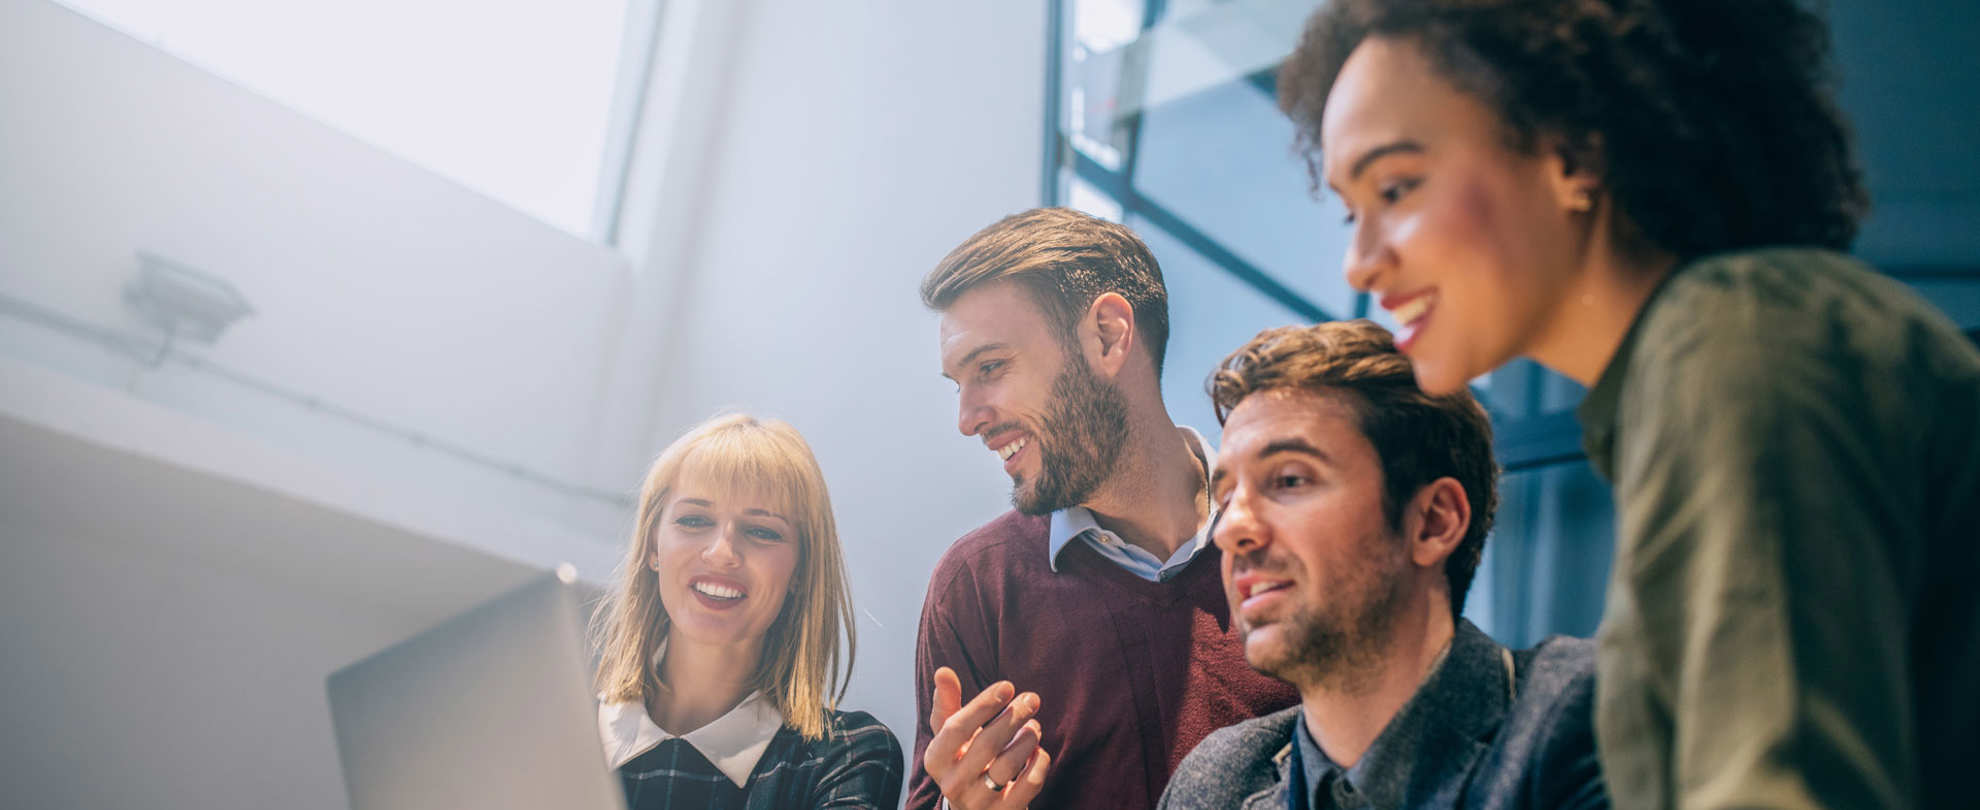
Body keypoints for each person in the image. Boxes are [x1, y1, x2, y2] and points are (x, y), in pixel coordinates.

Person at [1276, 2, 1980, 807]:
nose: (1360, 263)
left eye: (1396, 186)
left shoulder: (1734, 341)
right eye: (1348, 210)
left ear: (1571, 153)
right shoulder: (1705, 362)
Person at [911, 207, 1299, 810]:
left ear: (1109, 336)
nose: (968, 420)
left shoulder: (1293, 540)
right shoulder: (975, 588)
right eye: (958, 383)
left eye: (990, 367)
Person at [1160, 321, 1606, 810]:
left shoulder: (1585, 721)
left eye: (1289, 479)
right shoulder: (1217, 784)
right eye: (1227, 497)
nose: (1229, 530)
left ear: (1433, 523)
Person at [590, 413, 903, 809]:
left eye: (761, 531)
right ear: (654, 548)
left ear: (801, 571)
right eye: (694, 520)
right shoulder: (551, 729)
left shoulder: (848, 757)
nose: (721, 552)